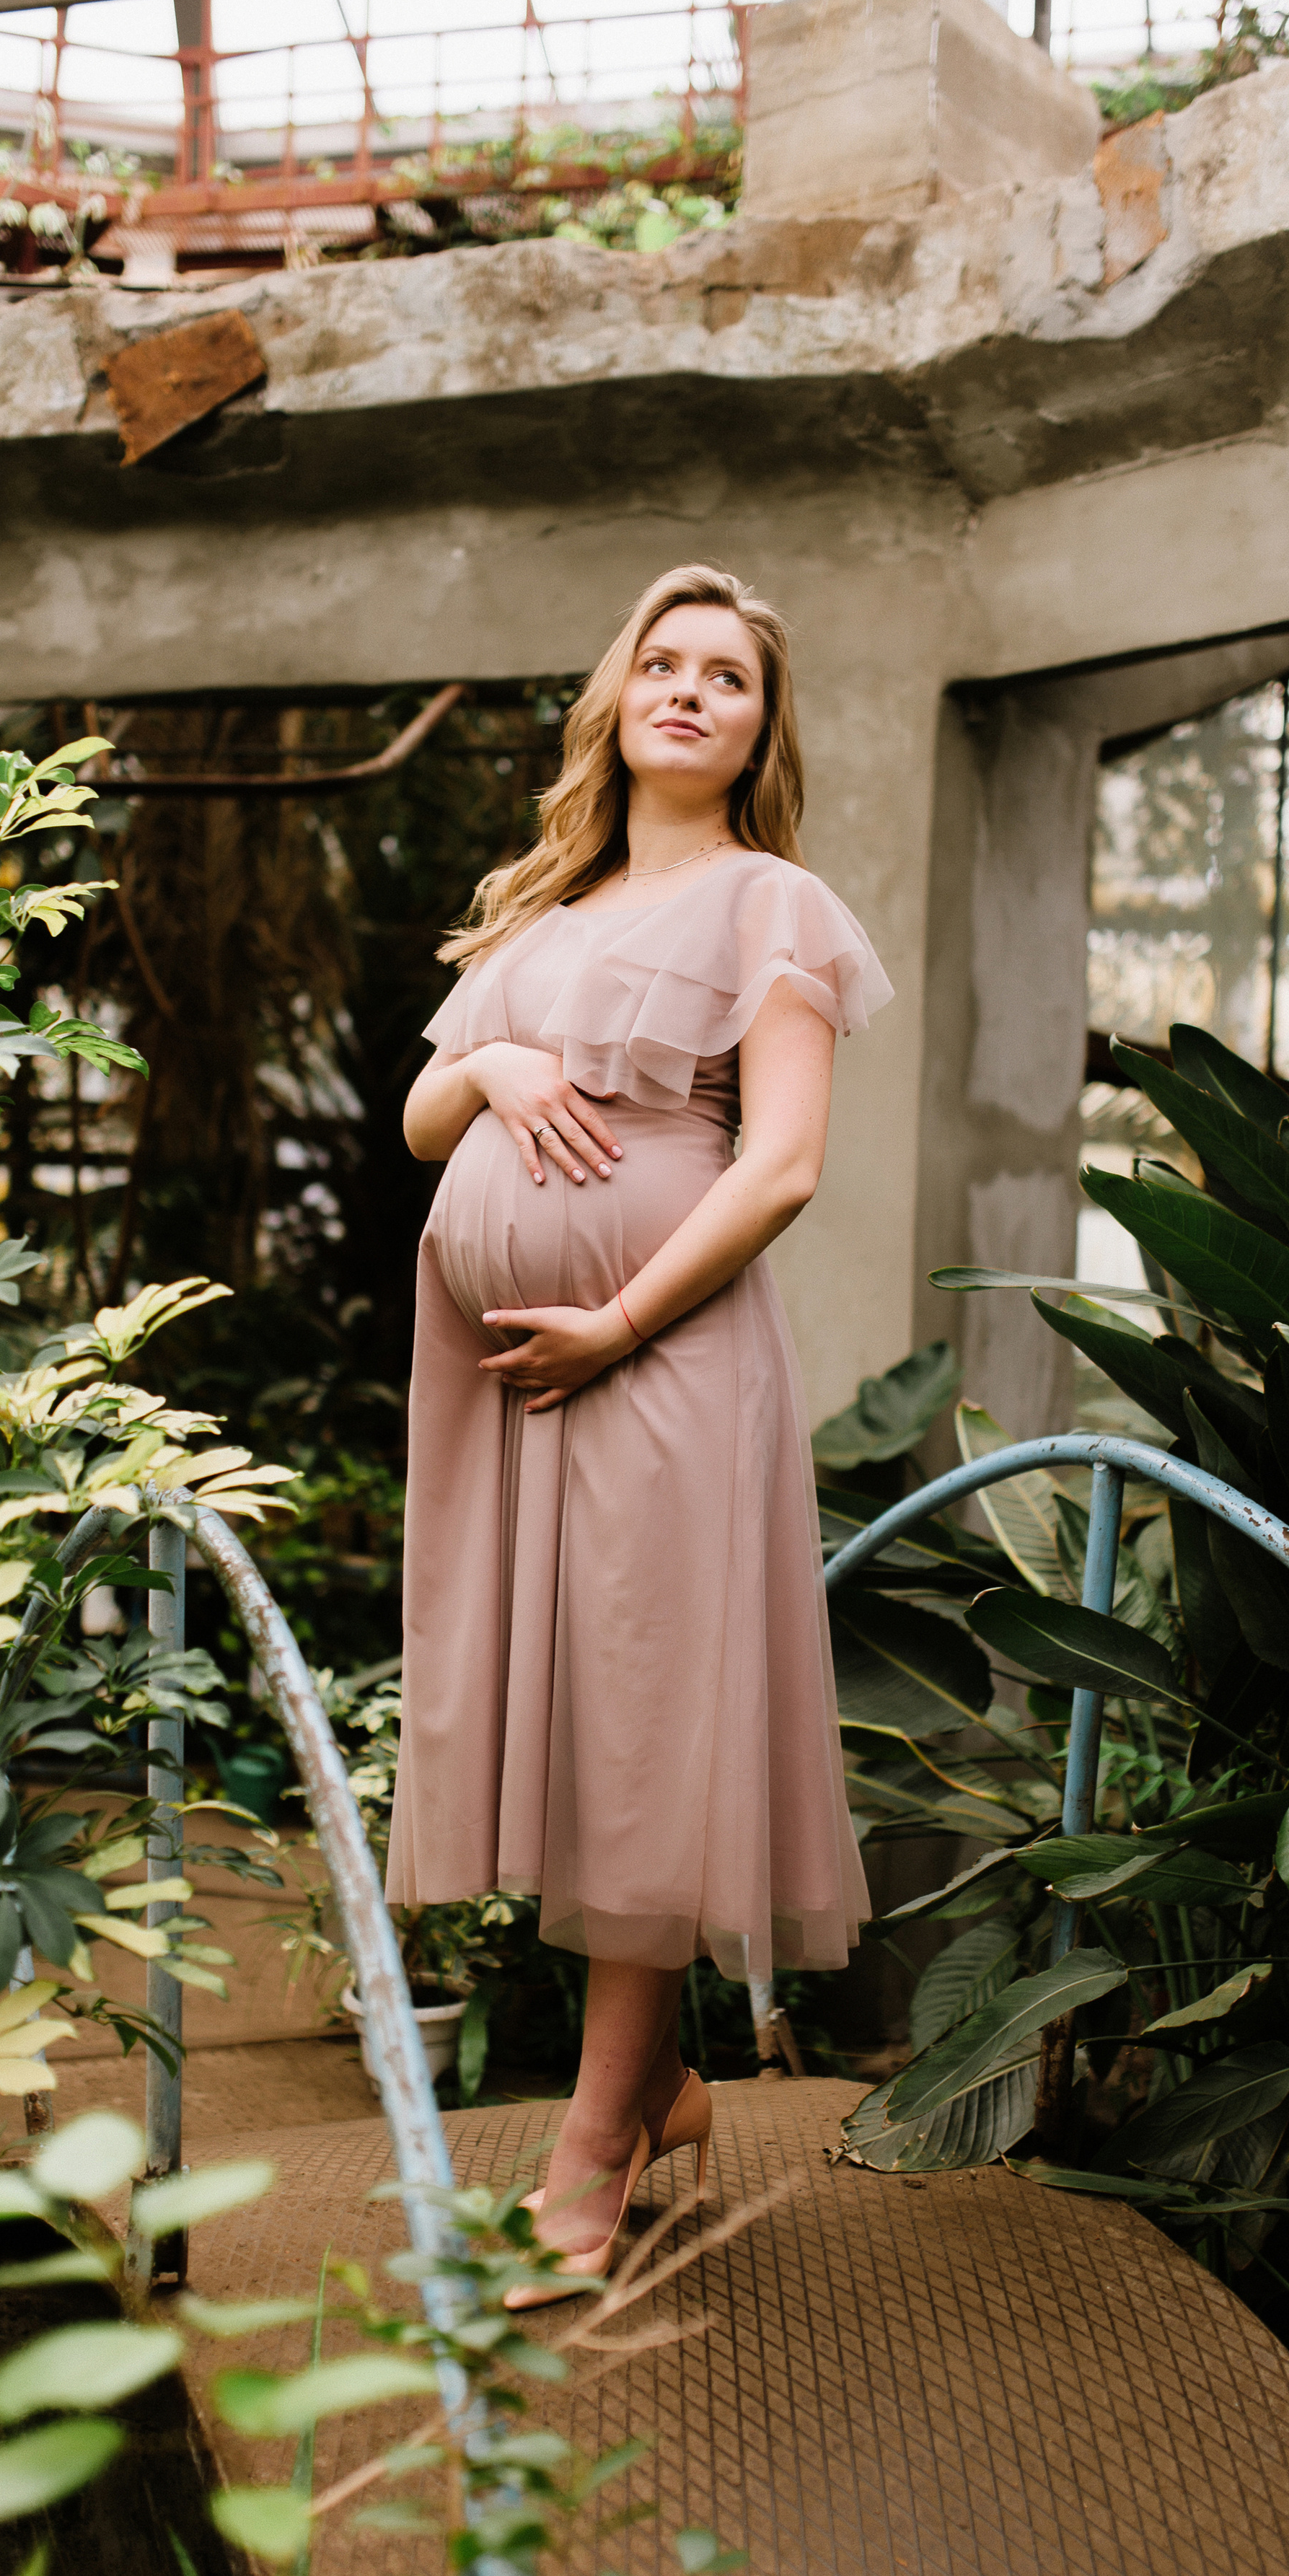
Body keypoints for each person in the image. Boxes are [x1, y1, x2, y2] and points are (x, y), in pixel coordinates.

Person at [394, 563, 892, 2302]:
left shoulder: (774, 905)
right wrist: (502, 1073)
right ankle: (657, 2083)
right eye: (660, 665)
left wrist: (613, 1318)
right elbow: (416, 1114)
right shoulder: (537, 911)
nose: (688, 692)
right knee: (573, 1733)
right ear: (614, 700)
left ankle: (594, 2145)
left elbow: (783, 1162)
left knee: (643, 1744)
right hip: (498, 1381)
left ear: (760, 726)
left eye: (727, 678)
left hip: (655, 1359)